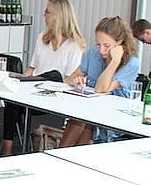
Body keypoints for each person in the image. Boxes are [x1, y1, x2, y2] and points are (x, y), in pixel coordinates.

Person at [1, 0, 86, 156]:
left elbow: (69, 79)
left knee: (54, 75)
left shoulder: (74, 45)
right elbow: (32, 68)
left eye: (47, 12)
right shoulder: (42, 38)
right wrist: (19, 80)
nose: (44, 15)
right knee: (12, 98)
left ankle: (8, 148)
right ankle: (7, 147)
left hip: (56, 93)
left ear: (58, 16)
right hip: (34, 88)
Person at [59, 15, 140, 147]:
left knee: (82, 118)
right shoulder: (93, 53)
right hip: (90, 112)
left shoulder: (132, 63)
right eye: (98, 44)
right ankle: (65, 156)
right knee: (82, 117)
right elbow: (68, 78)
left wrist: (114, 61)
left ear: (119, 43)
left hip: (115, 117)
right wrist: (76, 79)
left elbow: (101, 89)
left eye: (107, 46)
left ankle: (61, 154)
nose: (101, 50)